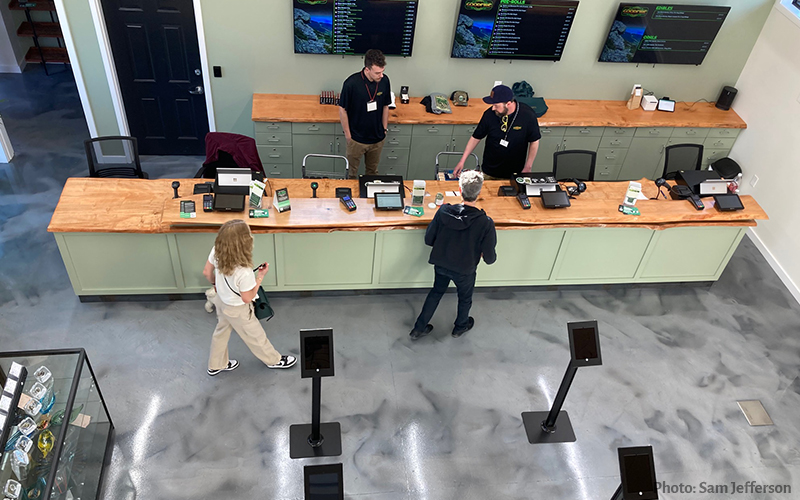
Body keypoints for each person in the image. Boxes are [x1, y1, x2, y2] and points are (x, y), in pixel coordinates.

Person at [409, 170, 497, 340]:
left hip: (441, 263)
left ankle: (418, 328)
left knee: (436, 293)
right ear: (479, 192)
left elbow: (429, 239)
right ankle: (460, 327)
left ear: (459, 188)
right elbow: (489, 258)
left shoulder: (443, 212)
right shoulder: (485, 222)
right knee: (465, 298)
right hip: (465, 269)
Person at [202, 219, 296, 375]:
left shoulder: (216, 251)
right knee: (256, 336)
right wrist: (260, 276)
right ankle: (274, 360)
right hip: (237, 309)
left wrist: (215, 284)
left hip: (222, 301)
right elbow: (248, 297)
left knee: (221, 332)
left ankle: (216, 365)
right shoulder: (244, 271)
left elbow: (206, 272)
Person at [453, 84, 541, 180]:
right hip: (490, 170)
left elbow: (534, 141)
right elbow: (476, 137)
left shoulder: (528, 115)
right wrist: (462, 161)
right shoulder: (489, 115)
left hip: (515, 172)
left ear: (508, 104)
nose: (493, 108)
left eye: (496, 105)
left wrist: (528, 166)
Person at [339, 49, 392, 179]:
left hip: (377, 138)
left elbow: (386, 105)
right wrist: (348, 135)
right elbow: (342, 109)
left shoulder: (384, 81)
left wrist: (384, 129)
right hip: (356, 139)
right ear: (367, 70)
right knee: (351, 174)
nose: (381, 75)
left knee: (372, 173)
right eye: (377, 73)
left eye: (382, 71)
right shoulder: (351, 83)